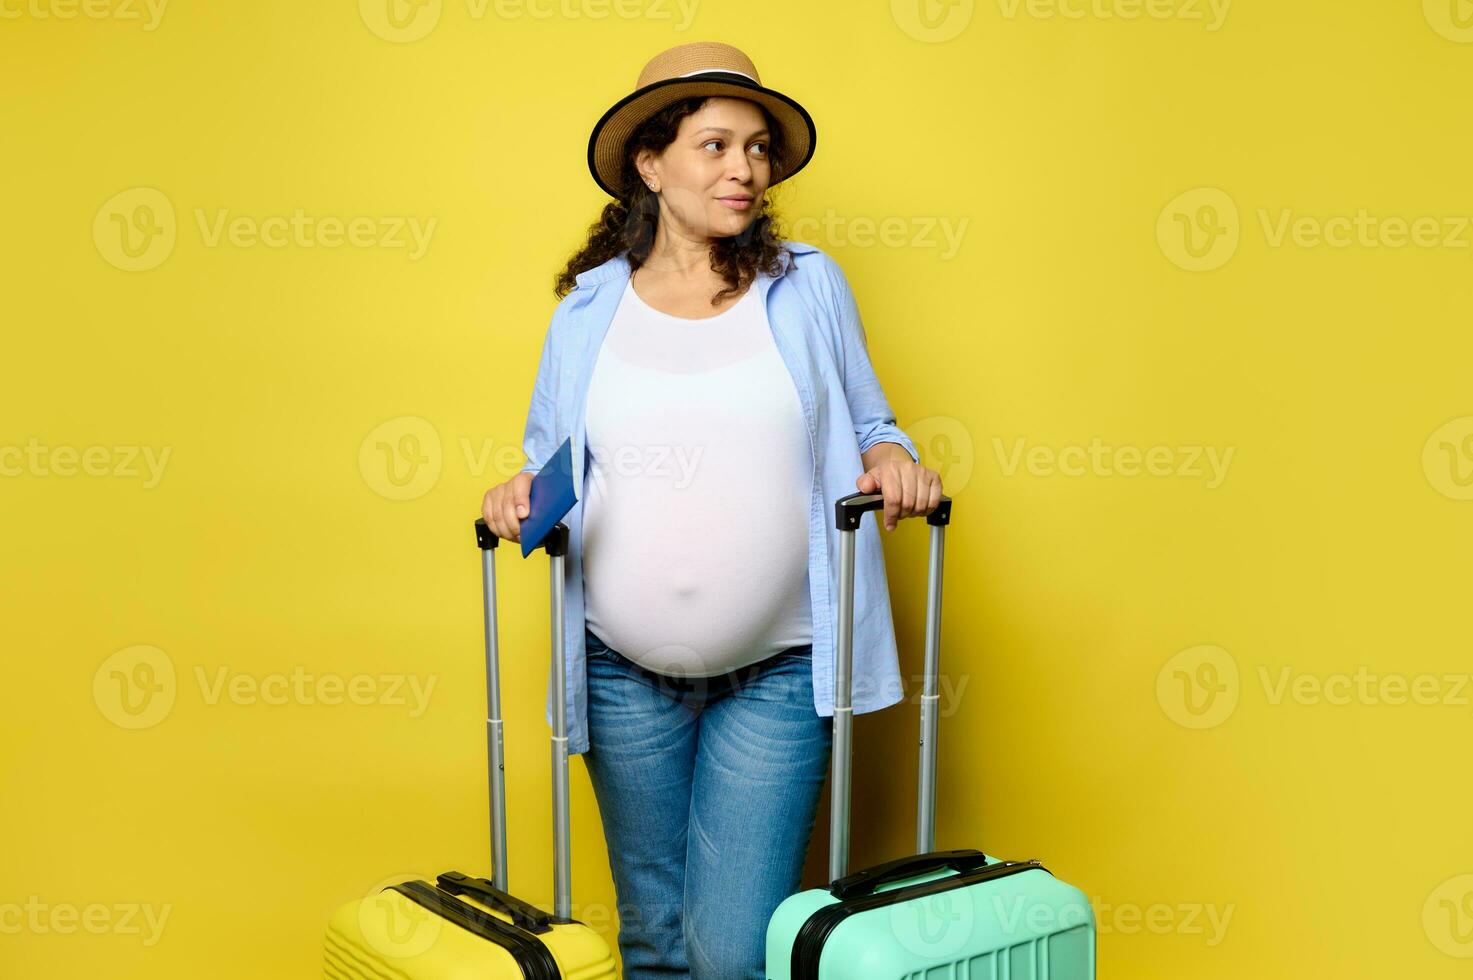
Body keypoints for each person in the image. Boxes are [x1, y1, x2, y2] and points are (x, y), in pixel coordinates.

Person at [480, 40, 943, 980]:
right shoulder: (586, 308)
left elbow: (870, 420)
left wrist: (890, 453)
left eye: (759, 148)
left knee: (732, 952)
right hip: (619, 670)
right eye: (716, 145)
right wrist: (517, 491)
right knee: (651, 938)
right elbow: (552, 461)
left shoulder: (806, 283)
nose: (745, 169)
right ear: (649, 166)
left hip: (779, 669)